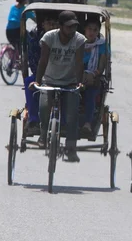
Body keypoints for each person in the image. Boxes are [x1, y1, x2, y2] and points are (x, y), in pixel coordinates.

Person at [31, 11, 86, 162]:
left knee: (72, 114)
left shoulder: (79, 39)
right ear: (60, 26)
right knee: (44, 106)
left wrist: (79, 82)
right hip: (49, 79)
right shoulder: (49, 37)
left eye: (74, 27)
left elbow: (79, 63)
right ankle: (43, 135)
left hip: (70, 82)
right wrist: (37, 81)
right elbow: (43, 60)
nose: (72, 30)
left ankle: (71, 148)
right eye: (69, 27)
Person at [23, 14, 59, 134]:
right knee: (29, 81)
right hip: (41, 75)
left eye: (55, 23)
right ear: (43, 24)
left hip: (61, 75)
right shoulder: (35, 40)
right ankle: (34, 120)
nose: (52, 25)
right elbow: (33, 62)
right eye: (49, 22)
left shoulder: (66, 39)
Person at [79, 18, 108, 137]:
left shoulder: (102, 45)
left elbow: (101, 67)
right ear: (84, 30)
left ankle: (87, 123)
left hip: (94, 76)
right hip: (77, 75)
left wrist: (93, 74)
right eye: (89, 29)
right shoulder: (78, 43)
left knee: (91, 93)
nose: (92, 32)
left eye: (95, 30)